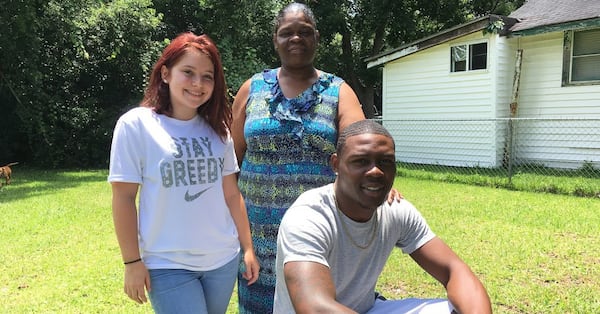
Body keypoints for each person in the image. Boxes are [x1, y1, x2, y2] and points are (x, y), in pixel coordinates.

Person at [231, 3, 401, 313]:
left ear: (317, 39)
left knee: (315, 303)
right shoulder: (251, 89)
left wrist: (379, 182)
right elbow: (231, 163)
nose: (296, 38)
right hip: (256, 235)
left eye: (305, 32)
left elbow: (361, 151)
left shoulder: (339, 91)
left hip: (318, 230)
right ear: (275, 39)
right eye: (287, 33)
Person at [108, 32, 259, 314]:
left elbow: (231, 193)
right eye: (188, 72)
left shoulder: (219, 129)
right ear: (165, 73)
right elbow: (124, 198)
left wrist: (247, 247)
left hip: (222, 260)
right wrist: (131, 262)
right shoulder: (136, 125)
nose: (197, 84)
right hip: (167, 265)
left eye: (207, 76)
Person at [274, 119, 492, 314]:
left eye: (385, 162)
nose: (376, 171)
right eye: (361, 161)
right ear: (336, 164)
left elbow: (454, 271)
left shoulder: (395, 209)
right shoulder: (309, 216)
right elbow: (314, 306)